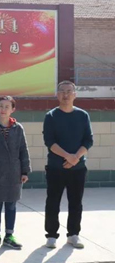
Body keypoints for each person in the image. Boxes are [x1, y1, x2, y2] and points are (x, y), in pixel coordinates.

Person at [43, 80, 93, 249]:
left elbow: (88, 140)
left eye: (69, 91)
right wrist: (68, 157)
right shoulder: (51, 116)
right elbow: (49, 142)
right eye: (62, 91)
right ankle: (51, 235)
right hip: (55, 168)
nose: (66, 95)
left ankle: (73, 235)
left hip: (78, 168)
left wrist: (76, 158)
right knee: (53, 202)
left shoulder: (83, 115)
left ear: (75, 95)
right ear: (57, 95)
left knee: (76, 203)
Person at [0, 96, 31, 249]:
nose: (3, 109)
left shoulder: (18, 128)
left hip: (14, 172)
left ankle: (9, 235)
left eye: (7, 107)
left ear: (12, 109)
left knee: (11, 205)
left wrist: (25, 171)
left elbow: (23, 150)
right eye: (1, 106)